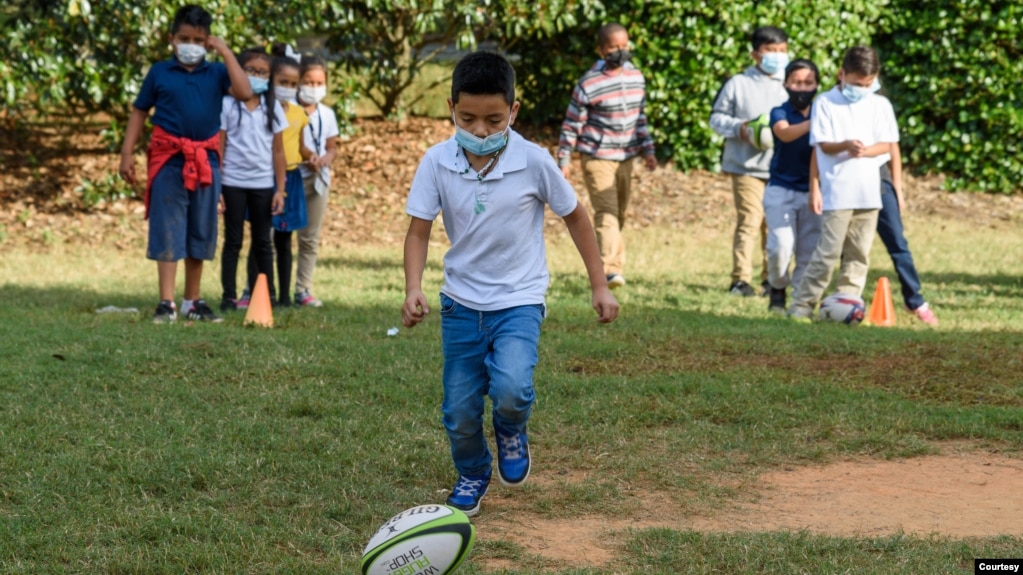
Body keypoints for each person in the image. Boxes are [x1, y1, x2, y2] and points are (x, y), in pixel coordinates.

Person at [402, 51, 619, 517]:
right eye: (468, 118)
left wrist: (599, 285)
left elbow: (578, 218)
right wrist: (413, 287)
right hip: (460, 304)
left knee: (513, 389)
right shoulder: (437, 161)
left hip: (519, 301)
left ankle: (511, 428)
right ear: (451, 108)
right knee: (458, 411)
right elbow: (418, 229)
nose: (480, 130)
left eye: (494, 119)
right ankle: (473, 471)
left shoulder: (534, 161)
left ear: (513, 112)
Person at [118, 4, 252, 323]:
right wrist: (126, 153)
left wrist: (225, 51)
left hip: (206, 161)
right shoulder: (159, 72)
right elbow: (139, 111)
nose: (190, 44)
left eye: (198, 39)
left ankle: (193, 300)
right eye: (184, 38)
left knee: (201, 229)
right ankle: (167, 302)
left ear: (207, 41)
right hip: (169, 160)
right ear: (172, 39)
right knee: (167, 227)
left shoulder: (218, 72)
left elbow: (245, 92)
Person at [788, 46, 899, 321]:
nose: (862, 89)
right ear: (842, 74)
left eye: (867, 84)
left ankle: (847, 303)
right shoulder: (826, 102)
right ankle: (802, 306)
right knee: (827, 253)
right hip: (838, 192)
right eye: (856, 83)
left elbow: (886, 144)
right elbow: (823, 145)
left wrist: (865, 150)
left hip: (869, 194)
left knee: (859, 253)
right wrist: (846, 145)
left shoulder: (879, 104)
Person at [557, 22, 657, 290]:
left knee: (619, 213)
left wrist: (648, 150)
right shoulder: (589, 83)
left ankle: (612, 264)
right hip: (597, 156)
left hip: (626, 156)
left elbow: (640, 118)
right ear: (601, 50)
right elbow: (572, 124)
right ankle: (610, 271)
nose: (620, 51)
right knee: (607, 211)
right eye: (614, 47)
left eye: (624, 46)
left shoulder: (636, 77)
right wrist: (564, 159)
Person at [710, 26, 789, 297]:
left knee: (775, 224)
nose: (777, 56)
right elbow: (716, 118)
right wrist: (741, 128)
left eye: (782, 51)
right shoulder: (738, 83)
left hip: (780, 168)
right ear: (755, 54)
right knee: (750, 220)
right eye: (770, 51)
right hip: (745, 168)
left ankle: (772, 280)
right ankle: (740, 280)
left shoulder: (790, 84)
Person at [218, 48, 287, 312]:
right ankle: (229, 297)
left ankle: (266, 295)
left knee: (263, 243)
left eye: (262, 72)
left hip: (262, 185)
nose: (256, 76)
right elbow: (220, 146)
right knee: (233, 241)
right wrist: (218, 187)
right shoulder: (227, 104)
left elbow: (278, 151)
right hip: (232, 183)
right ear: (238, 71)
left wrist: (279, 189)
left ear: (269, 78)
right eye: (250, 70)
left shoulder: (273, 108)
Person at [244, 53, 309, 307]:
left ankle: (283, 297)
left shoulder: (299, 113)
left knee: (284, 240)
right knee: (261, 238)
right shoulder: (262, 110)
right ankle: (254, 293)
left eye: (294, 84)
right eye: (283, 82)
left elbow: (301, 147)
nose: (288, 88)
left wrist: (314, 157)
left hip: (291, 179)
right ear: (272, 80)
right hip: (265, 178)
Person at [763, 58, 823, 313]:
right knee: (780, 247)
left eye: (808, 83)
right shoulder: (780, 111)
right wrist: (819, 122)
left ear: (817, 85)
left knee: (809, 253)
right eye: (796, 82)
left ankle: (800, 305)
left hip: (815, 191)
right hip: (781, 188)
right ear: (786, 83)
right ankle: (777, 286)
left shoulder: (825, 110)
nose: (802, 88)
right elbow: (784, 133)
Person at [294, 54, 341, 308]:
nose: (314, 88)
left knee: (309, 237)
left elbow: (332, 147)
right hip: (291, 178)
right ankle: (262, 287)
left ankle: (303, 288)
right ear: (298, 81)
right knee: (273, 236)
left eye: (319, 82)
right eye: (308, 82)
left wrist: (324, 159)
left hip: (318, 179)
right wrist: (307, 156)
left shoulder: (327, 113)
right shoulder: (288, 109)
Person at [877, 142, 939, 325]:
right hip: (850, 183)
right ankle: (847, 302)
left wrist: (897, 190)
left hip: (881, 183)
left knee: (898, 245)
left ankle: (915, 302)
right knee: (848, 248)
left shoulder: (880, 112)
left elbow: (892, 147)